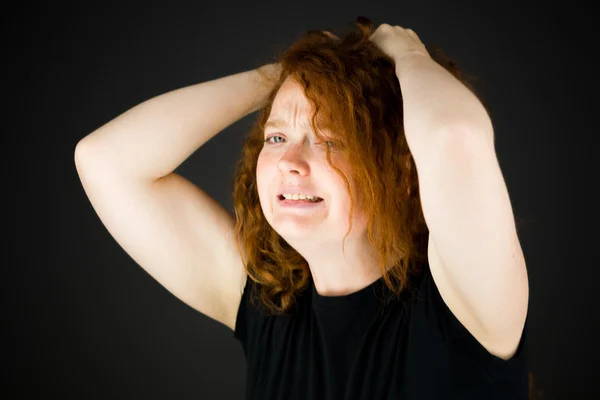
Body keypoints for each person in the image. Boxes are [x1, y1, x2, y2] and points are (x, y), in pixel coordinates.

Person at [75, 16, 532, 400]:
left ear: (404, 169)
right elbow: (105, 162)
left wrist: (408, 56)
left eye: (331, 140)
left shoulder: (468, 309)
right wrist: (281, 77)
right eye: (277, 137)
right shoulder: (271, 305)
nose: (290, 163)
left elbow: (454, 135)